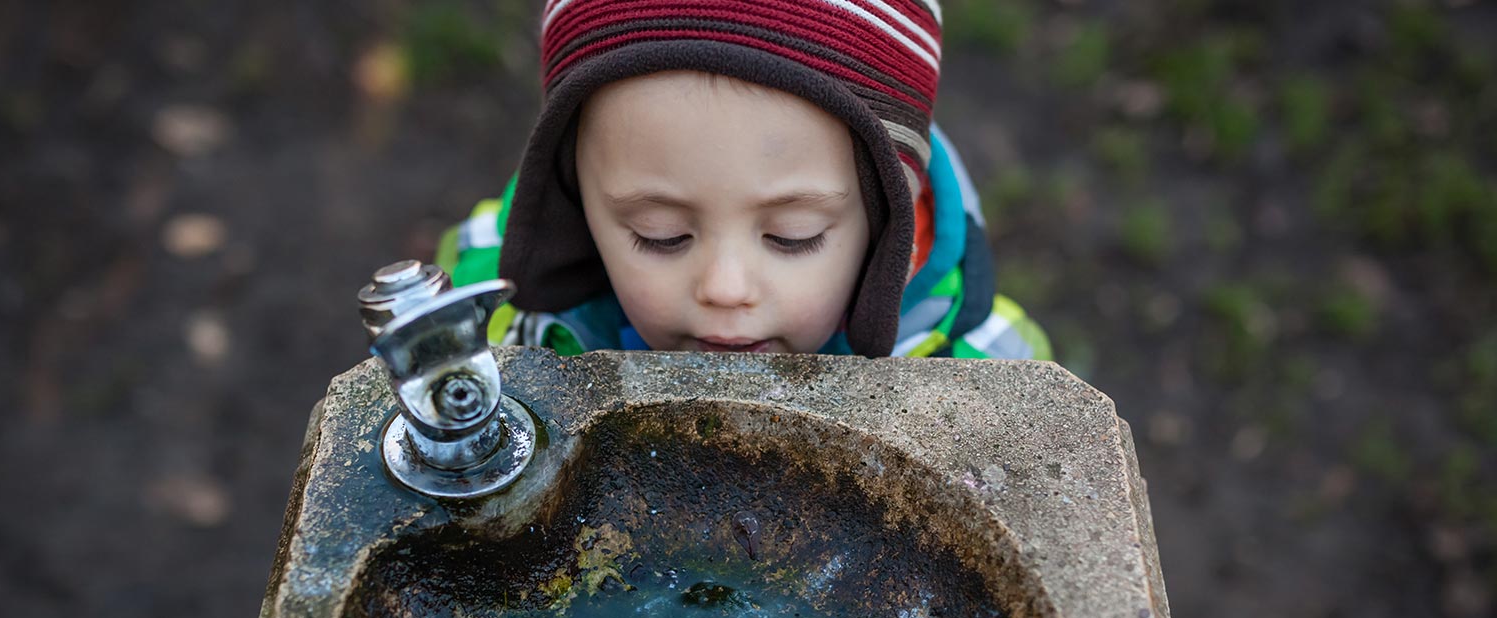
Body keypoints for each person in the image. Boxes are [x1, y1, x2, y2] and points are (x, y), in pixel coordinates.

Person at [437, 0, 1051, 360]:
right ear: (575, 197)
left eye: (793, 235)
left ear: (890, 210)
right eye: (661, 235)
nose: (726, 290)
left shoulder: (977, 364)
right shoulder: (487, 306)